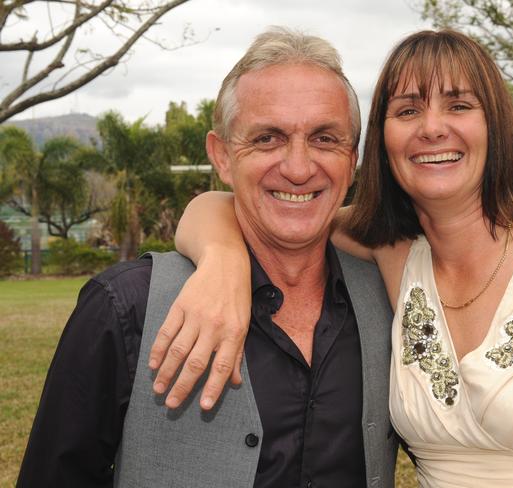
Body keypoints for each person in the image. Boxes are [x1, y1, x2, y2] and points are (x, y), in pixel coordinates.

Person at [150, 30, 513, 487]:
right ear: (379, 142)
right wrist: (222, 260)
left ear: (495, 124)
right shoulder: (388, 252)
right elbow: (231, 205)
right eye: (408, 110)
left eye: (458, 106)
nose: (432, 129)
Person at [17, 28, 398, 488]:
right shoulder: (123, 308)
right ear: (221, 155)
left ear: (352, 157)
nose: (298, 168)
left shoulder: (390, 301)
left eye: (325, 139)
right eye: (267, 139)